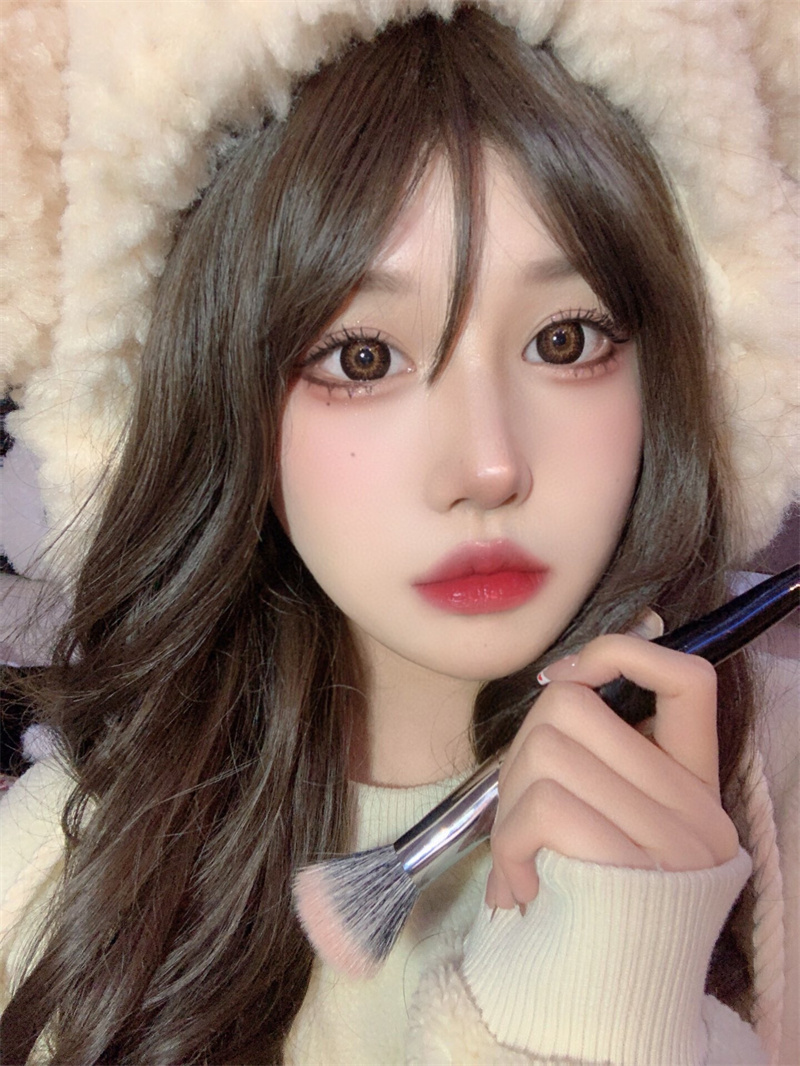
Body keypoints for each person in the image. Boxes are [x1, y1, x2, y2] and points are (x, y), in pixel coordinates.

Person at [0, 3, 796, 1064]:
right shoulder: (57, 869)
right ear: (219, 394)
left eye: (565, 340)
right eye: (363, 357)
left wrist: (627, 975)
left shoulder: (779, 782)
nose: (487, 467)